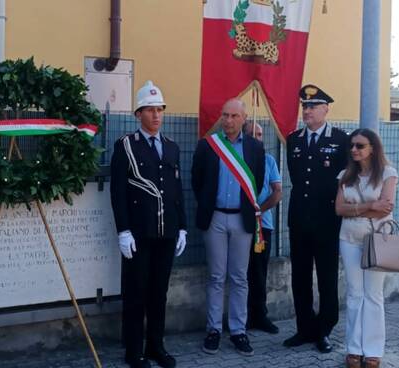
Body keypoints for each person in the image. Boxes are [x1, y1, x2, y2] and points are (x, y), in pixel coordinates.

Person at [110, 80, 187, 368]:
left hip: (166, 233)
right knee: (136, 294)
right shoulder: (126, 146)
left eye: (160, 110)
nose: (156, 115)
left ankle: (156, 346)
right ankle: (134, 351)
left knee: (159, 293)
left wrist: (182, 227)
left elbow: (177, 191)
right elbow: (118, 192)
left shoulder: (171, 147)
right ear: (138, 113)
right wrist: (123, 231)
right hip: (138, 234)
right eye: (150, 110)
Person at [192, 99, 265, 357]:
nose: (229, 120)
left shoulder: (256, 148)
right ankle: (213, 329)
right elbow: (196, 180)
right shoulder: (208, 145)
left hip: (241, 220)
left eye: (234, 116)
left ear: (244, 118)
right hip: (215, 219)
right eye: (225, 115)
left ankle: (238, 331)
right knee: (215, 276)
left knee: (239, 277)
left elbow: (257, 179)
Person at [284, 84, 349, 353]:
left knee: (326, 278)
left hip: (326, 221)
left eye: (312, 106)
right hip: (299, 219)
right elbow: (297, 179)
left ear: (326, 109)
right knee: (299, 277)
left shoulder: (341, 139)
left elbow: (345, 180)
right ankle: (304, 329)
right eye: (304, 106)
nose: (307, 111)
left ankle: (324, 329)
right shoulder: (294, 139)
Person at [335, 129, 397, 368]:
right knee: (354, 294)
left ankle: (372, 350)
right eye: (352, 145)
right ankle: (354, 349)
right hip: (349, 238)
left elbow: (386, 208)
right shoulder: (345, 175)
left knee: (373, 295)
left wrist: (356, 208)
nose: (354, 150)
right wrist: (370, 204)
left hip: (377, 239)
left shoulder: (388, 173)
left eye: (360, 145)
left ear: (373, 147)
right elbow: (339, 209)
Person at [242, 122, 282, 334]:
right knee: (241, 273)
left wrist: (259, 210)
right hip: (239, 224)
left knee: (259, 271)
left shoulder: (269, 161)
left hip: (262, 225)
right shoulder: (237, 160)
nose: (257, 138)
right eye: (252, 134)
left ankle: (260, 315)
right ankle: (242, 317)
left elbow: (277, 191)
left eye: (260, 134)